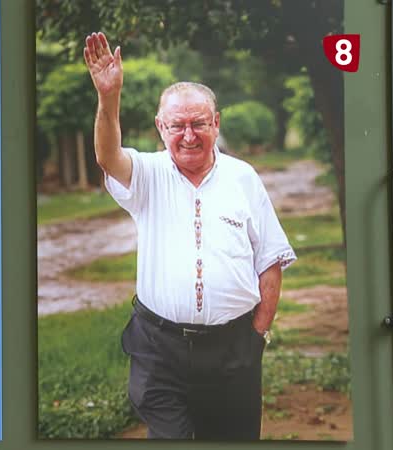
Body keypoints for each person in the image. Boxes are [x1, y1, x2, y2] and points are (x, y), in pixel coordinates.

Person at [83, 32, 297, 440]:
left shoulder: (244, 178)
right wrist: (108, 98)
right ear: (160, 127)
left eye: (198, 123)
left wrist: (257, 337)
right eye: (177, 125)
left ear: (216, 123)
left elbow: (270, 260)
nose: (188, 135)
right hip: (159, 349)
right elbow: (107, 156)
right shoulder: (146, 174)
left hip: (234, 348)